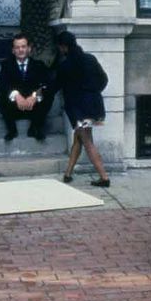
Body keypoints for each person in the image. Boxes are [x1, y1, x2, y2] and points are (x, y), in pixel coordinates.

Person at [54, 31, 110, 187]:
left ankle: (104, 177)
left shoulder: (65, 65)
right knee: (78, 138)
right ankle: (68, 173)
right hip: (95, 107)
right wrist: (92, 92)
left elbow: (56, 86)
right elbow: (104, 80)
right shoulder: (90, 59)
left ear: (63, 47)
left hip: (79, 111)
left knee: (86, 141)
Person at [0, 32, 54, 142]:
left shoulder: (39, 65)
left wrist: (35, 96)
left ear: (29, 48)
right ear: (13, 50)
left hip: (34, 107)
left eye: (23, 46)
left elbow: (47, 83)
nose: (21, 50)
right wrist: (16, 95)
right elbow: (1, 83)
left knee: (48, 94)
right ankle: (12, 130)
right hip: (14, 107)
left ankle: (35, 127)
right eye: (17, 47)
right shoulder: (6, 65)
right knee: (1, 95)